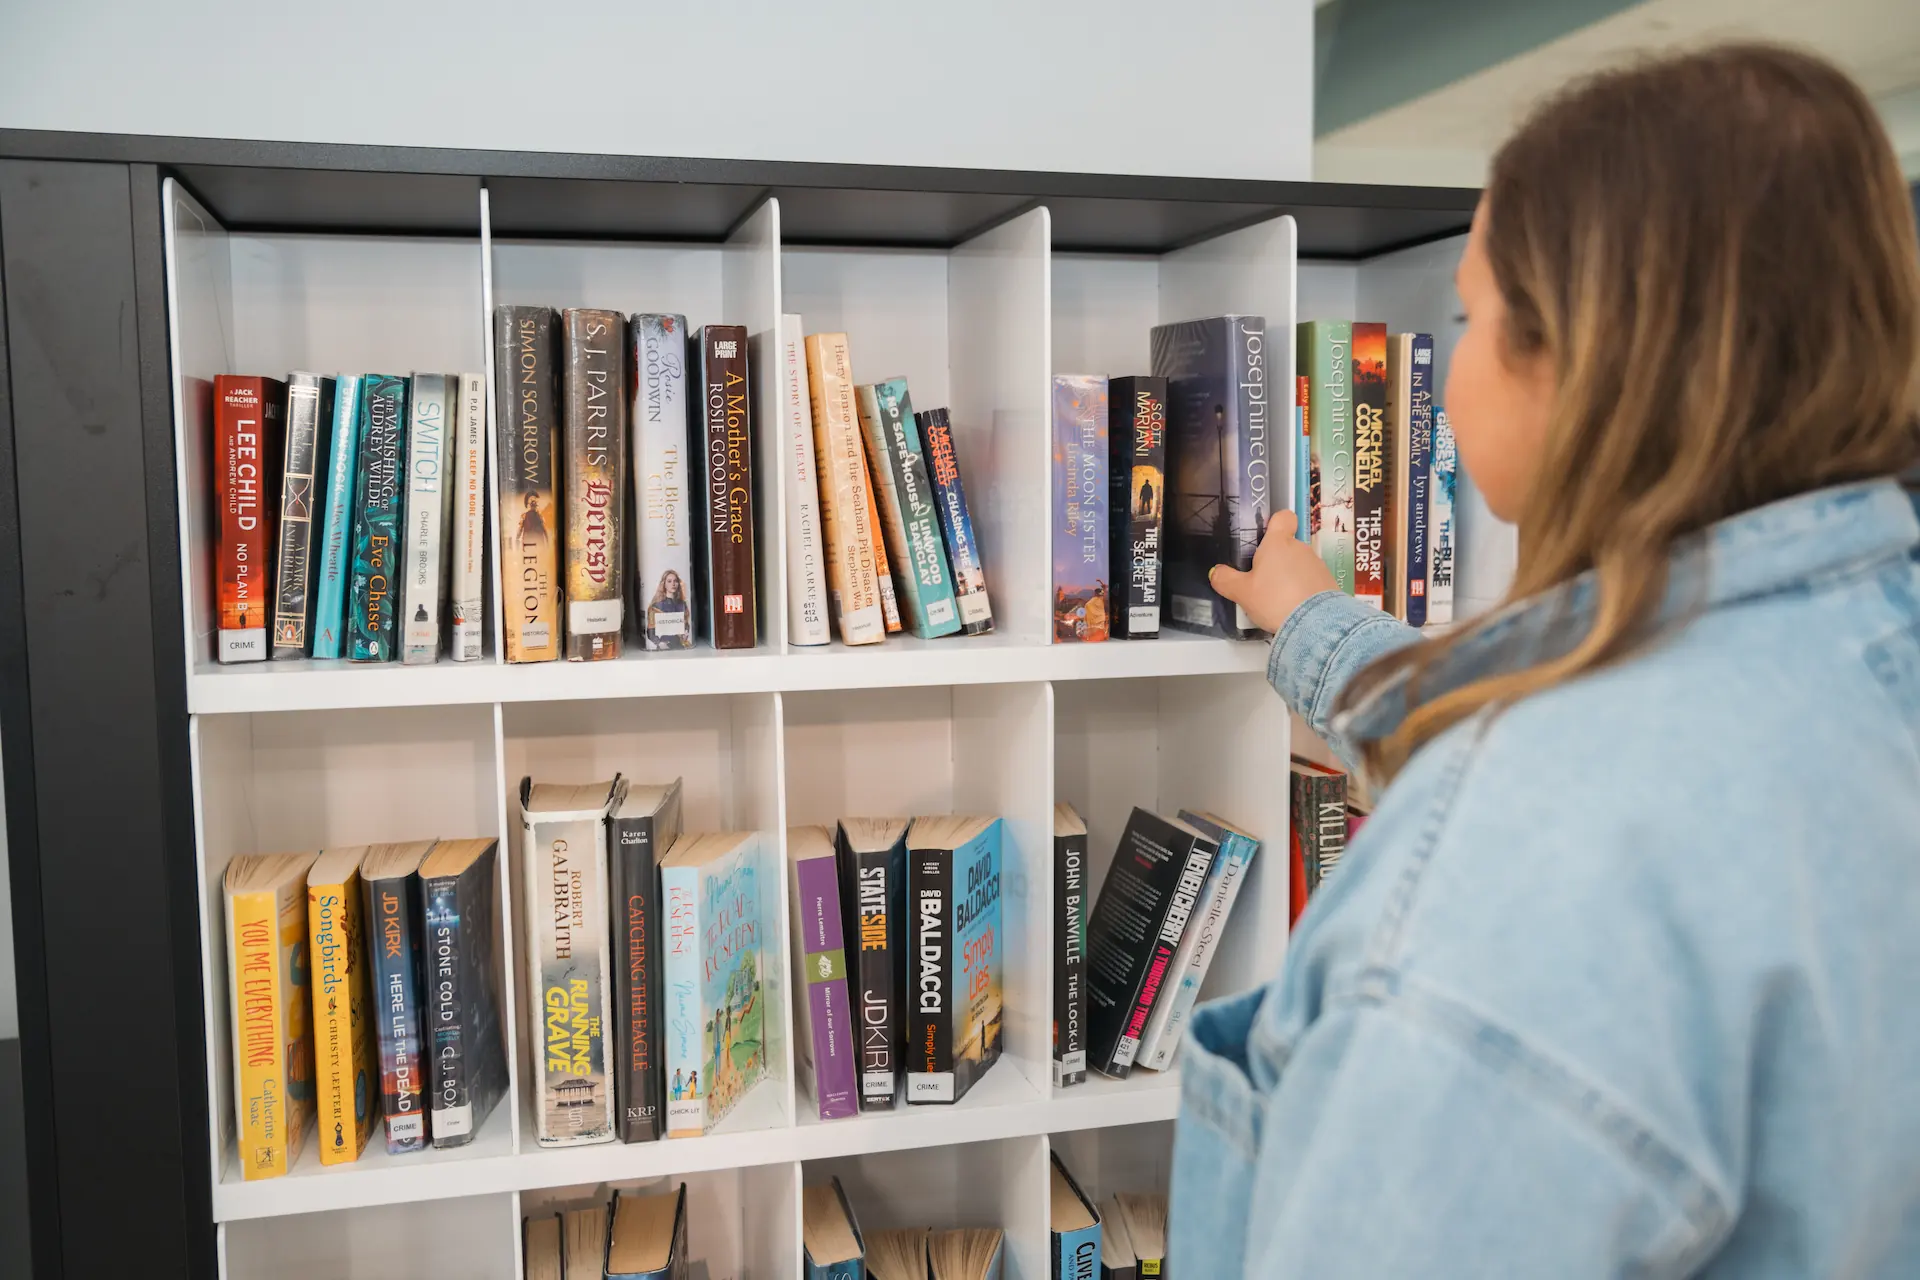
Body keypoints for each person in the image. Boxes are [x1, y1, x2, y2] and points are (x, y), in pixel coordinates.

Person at [1173, 44, 1920, 1278]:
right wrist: (1315, 621)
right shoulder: (1851, 650)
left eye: (1470, 317)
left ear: (1579, 358)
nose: (1453, 361)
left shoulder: (1523, 857)